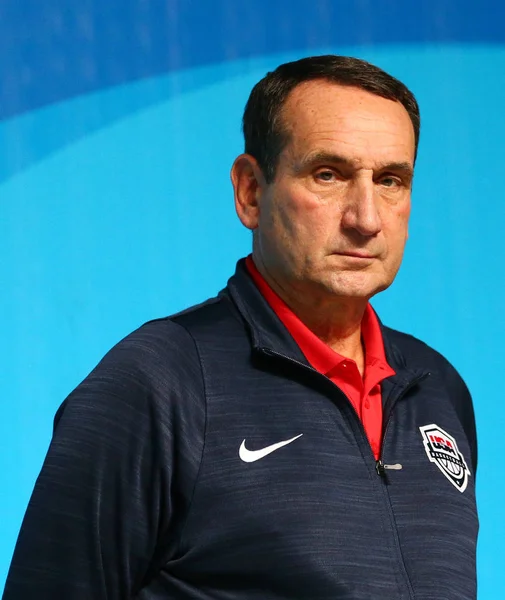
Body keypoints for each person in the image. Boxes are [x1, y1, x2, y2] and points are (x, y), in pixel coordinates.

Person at [3, 55, 478, 600]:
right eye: (329, 174)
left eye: (391, 180)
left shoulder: (437, 388)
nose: (366, 217)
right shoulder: (158, 382)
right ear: (251, 191)